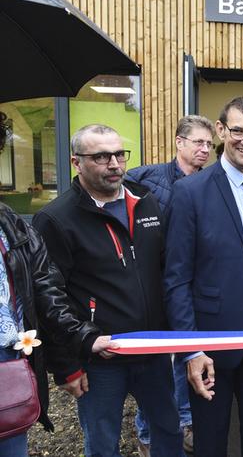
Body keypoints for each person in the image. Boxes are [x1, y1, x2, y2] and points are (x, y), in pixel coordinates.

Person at [32, 124, 183, 457]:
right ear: (76, 162)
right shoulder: (56, 219)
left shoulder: (145, 201)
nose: (114, 163)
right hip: (101, 357)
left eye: (118, 154)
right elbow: (48, 297)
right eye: (101, 156)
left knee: (168, 432)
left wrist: (175, 333)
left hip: (153, 349)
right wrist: (66, 367)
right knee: (102, 444)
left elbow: (163, 270)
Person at [164, 96, 243, 457]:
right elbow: (176, 278)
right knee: (211, 438)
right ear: (221, 130)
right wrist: (191, 350)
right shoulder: (189, 193)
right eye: (238, 131)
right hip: (211, 341)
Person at [0, 116, 112, 456]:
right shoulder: (52, 217)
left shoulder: (11, 225)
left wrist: (82, 338)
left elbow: (46, 292)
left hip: (6, 366)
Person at [126, 114, 215, 456]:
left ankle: (184, 423)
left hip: (188, 286)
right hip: (151, 285)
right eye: (198, 142)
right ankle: (147, 435)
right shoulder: (145, 177)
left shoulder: (209, 183)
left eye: (209, 144)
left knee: (187, 357)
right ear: (179, 142)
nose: (205, 149)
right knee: (157, 365)